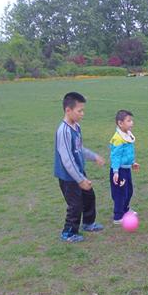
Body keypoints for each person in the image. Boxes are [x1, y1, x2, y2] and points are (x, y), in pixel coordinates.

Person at [54, 92, 105, 242]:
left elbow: (79, 148)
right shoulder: (63, 131)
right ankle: (68, 233)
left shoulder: (76, 127)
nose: (83, 114)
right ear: (68, 110)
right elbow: (67, 159)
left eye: (83, 110)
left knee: (89, 196)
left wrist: (94, 156)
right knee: (75, 205)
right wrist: (80, 180)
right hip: (68, 177)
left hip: (78, 172)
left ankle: (88, 223)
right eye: (80, 111)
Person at [109, 110, 140, 224]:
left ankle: (125, 209)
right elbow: (116, 156)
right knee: (120, 193)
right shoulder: (118, 138)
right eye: (129, 121)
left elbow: (127, 154)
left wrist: (132, 163)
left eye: (132, 120)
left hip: (126, 169)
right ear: (120, 123)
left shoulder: (127, 135)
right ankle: (118, 216)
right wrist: (115, 171)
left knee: (129, 191)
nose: (132, 123)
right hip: (119, 171)